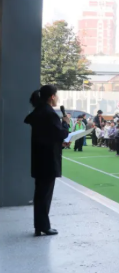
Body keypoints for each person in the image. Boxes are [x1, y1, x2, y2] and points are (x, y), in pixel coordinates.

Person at [24, 85, 70, 236]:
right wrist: (65, 123)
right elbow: (60, 133)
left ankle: (40, 226)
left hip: (39, 158)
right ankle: (43, 226)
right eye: (56, 95)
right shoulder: (49, 114)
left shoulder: (39, 111)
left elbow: (47, 135)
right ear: (52, 97)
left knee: (40, 194)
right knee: (45, 195)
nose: (57, 98)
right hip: (48, 160)